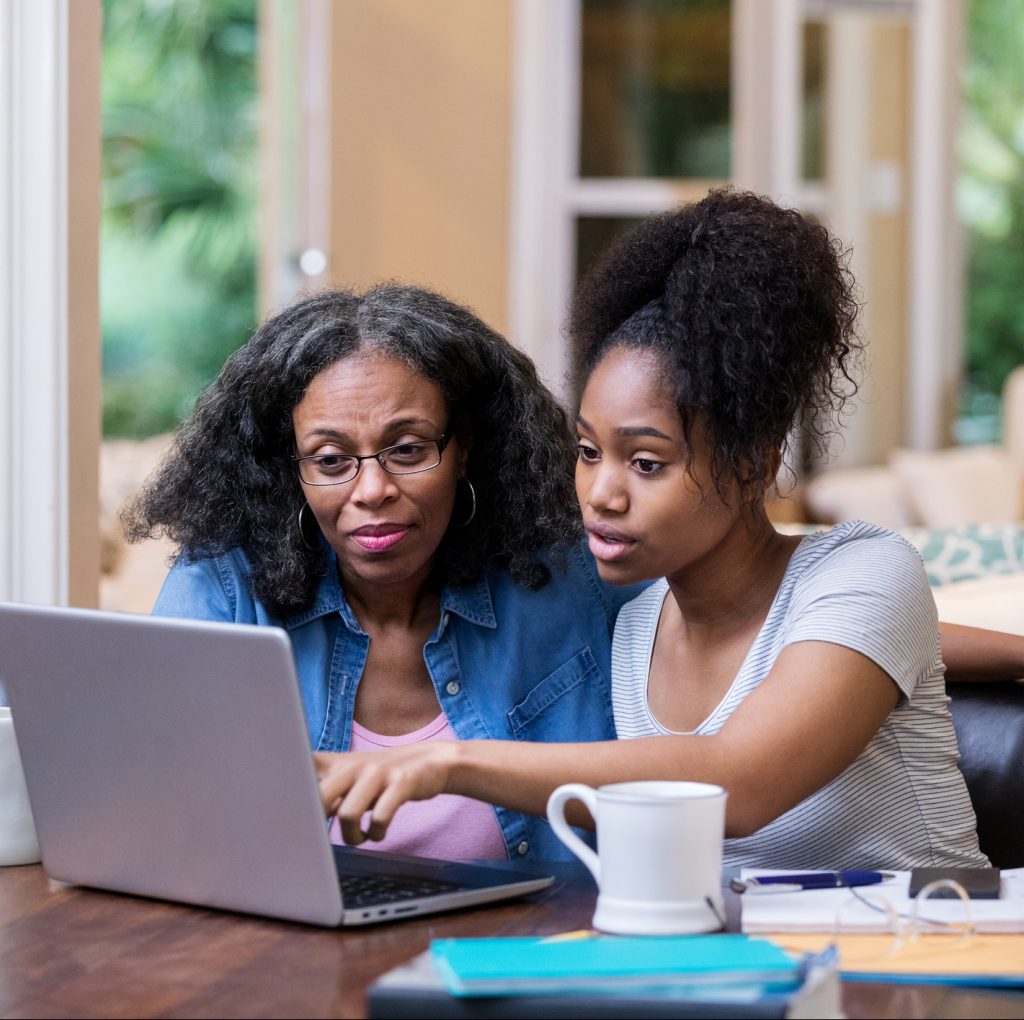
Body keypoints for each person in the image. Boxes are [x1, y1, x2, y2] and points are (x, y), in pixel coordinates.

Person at [315, 189, 992, 870]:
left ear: (754, 461)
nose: (601, 495)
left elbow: (741, 780)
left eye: (646, 462)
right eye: (587, 452)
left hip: (925, 951)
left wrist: (447, 762)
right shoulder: (631, 622)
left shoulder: (866, 572)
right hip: (734, 969)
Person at [124, 285, 641, 862]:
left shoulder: (576, 578)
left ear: (464, 447)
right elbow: (159, 812)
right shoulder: (224, 589)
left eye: (409, 450)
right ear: (288, 466)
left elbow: (689, 775)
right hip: (292, 946)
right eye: (329, 460)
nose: (372, 490)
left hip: (537, 946)